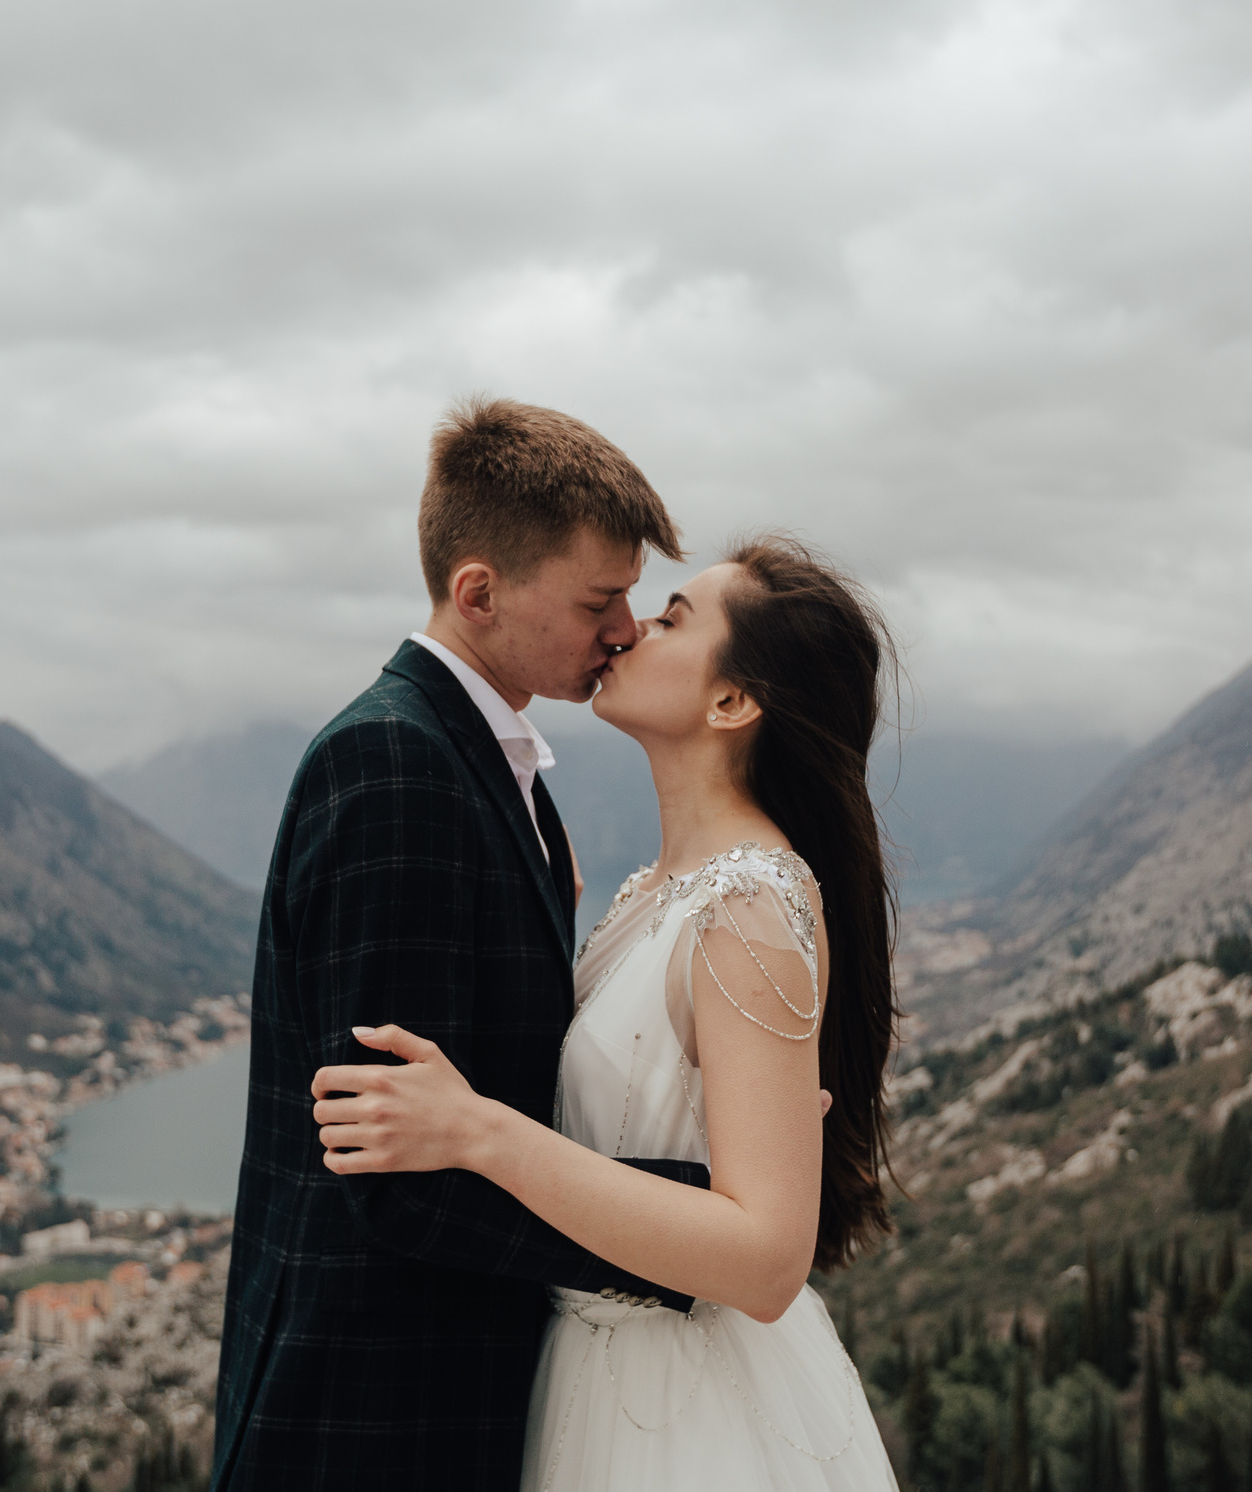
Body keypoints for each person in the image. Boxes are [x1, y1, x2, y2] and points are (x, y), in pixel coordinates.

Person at [313, 535, 902, 1489]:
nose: (628, 631)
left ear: (731, 701)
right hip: (585, 1371)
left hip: (681, 1416)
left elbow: (765, 1256)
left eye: (672, 618)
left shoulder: (747, 909)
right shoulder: (652, 893)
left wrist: (479, 1133)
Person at [213, 398, 712, 1490]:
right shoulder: (395, 767)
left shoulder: (483, 765)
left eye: (630, 596)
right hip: (369, 1418)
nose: (624, 628)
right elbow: (392, 1171)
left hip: (438, 1396)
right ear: (478, 592)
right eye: (600, 598)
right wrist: (694, 1226)